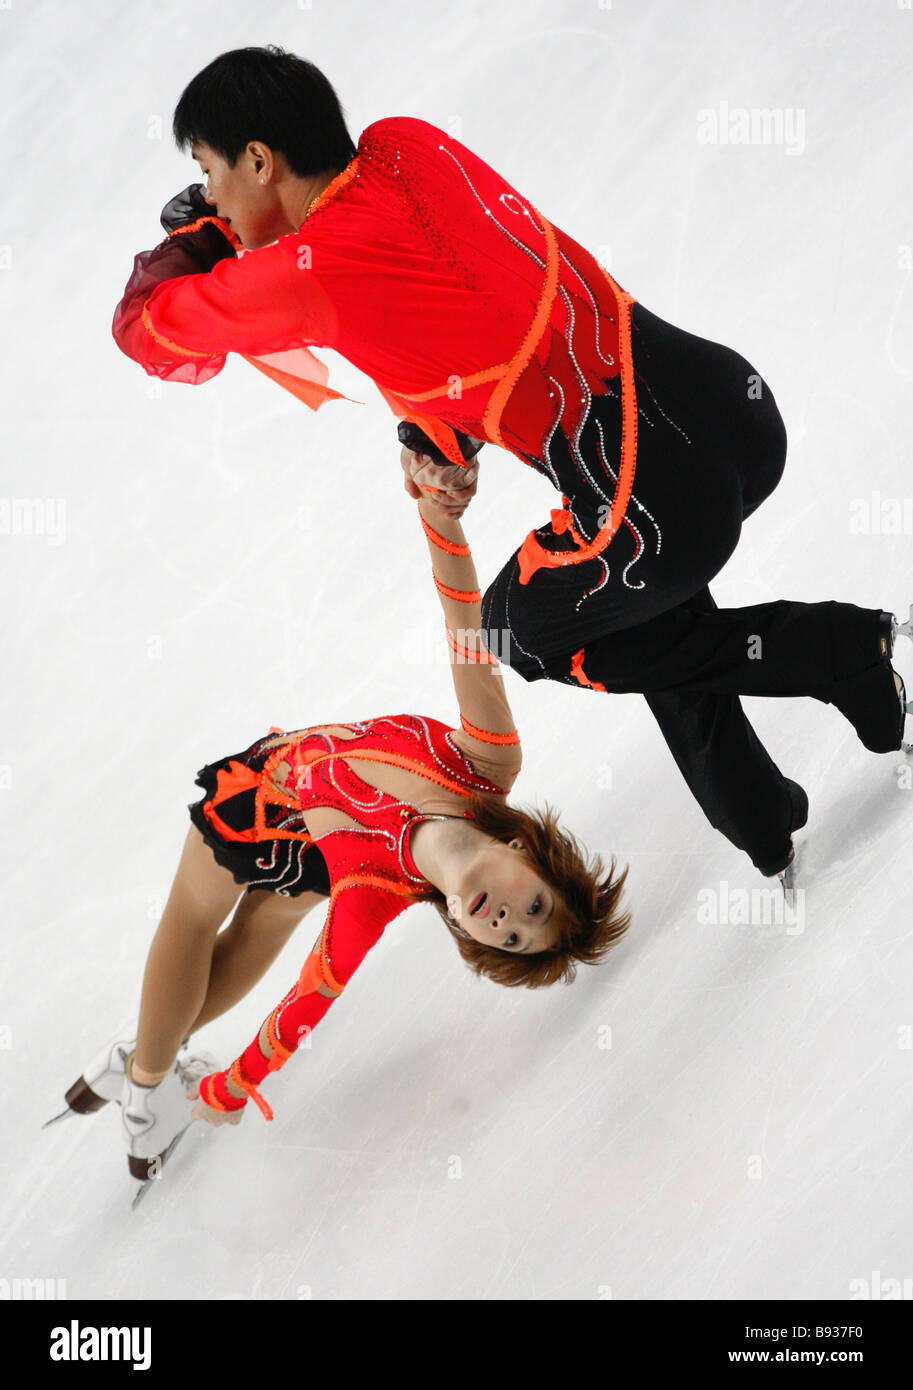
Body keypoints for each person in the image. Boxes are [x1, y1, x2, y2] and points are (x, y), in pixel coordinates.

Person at [111, 44, 910, 891]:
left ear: (261, 161)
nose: (211, 198)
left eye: (210, 172)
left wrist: (199, 242)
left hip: (654, 500)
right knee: (634, 620)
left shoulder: (306, 274)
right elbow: (461, 301)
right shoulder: (407, 143)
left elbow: (147, 330)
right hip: (732, 408)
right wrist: (439, 445)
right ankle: (762, 822)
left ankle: (840, 648)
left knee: (516, 629)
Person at [53, 485, 630, 1183]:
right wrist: (437, 517)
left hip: (259, 805)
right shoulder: (484, 763)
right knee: (246, 942)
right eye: (533, 907)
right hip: (305, 842)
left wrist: (231, 1088)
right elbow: (465, 634)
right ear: (526, 852)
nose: (506, 920)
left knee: (190, 920)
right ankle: (147, 1054)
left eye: (509, 939)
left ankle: (145, 1082)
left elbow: (304, 1005)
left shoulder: (372, 896)